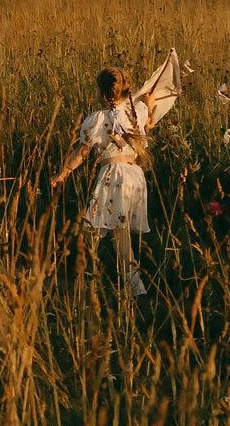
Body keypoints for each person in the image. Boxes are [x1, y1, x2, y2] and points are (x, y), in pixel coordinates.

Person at [50, 50, 185, 295]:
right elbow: (147, 116)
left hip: (114, 176)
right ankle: (115, 279)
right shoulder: (136, 111)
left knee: (101, 229)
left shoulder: (97, 119)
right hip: (135, 176)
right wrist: (150, 103)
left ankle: (107, 281)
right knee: (114, 231)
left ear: (102, 94)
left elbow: (81, 152)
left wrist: (63, 173)